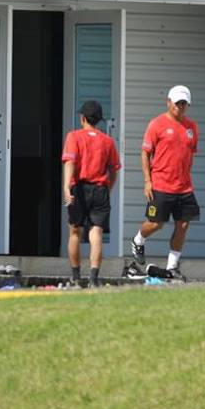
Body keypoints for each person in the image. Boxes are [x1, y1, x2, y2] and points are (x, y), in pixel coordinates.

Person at [130, 85, 199, 280]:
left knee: (183, 224)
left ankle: (172, 267)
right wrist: (147, 181)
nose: (180, 106)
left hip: (184, 187)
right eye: (177, 103)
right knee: (156, 224)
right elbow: (145, 153)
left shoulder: (192, 128)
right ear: (168, 102)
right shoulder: (156, 124)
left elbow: (189, 155)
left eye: (184, 103)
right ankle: (138, 239)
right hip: (160, 184)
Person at [61, 99, 121, 287]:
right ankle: (94, 279)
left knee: (74, 232)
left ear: (83, 118)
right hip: (100, 189)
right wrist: (107, 190)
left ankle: (76, 277)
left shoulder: (74, 136)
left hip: (79, 187)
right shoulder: (108, 141)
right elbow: (114, 171)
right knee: (96, 233)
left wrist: (65, 186)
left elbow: (70, 161)